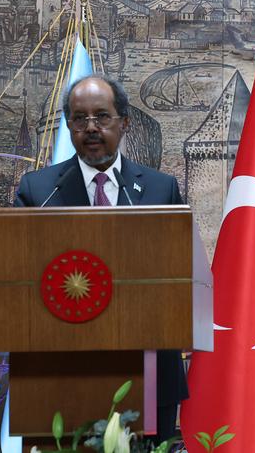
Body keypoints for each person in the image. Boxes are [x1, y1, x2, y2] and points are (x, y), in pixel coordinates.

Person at [14, 74, 188, 441]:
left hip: (150, 369)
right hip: (60, 374)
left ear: (123, 122)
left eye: (102, 117)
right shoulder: (40, 190)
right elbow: (20, 279)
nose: (91, 128)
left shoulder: (160, 188)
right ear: (69, 126)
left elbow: (179, 276)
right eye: (80, 119)